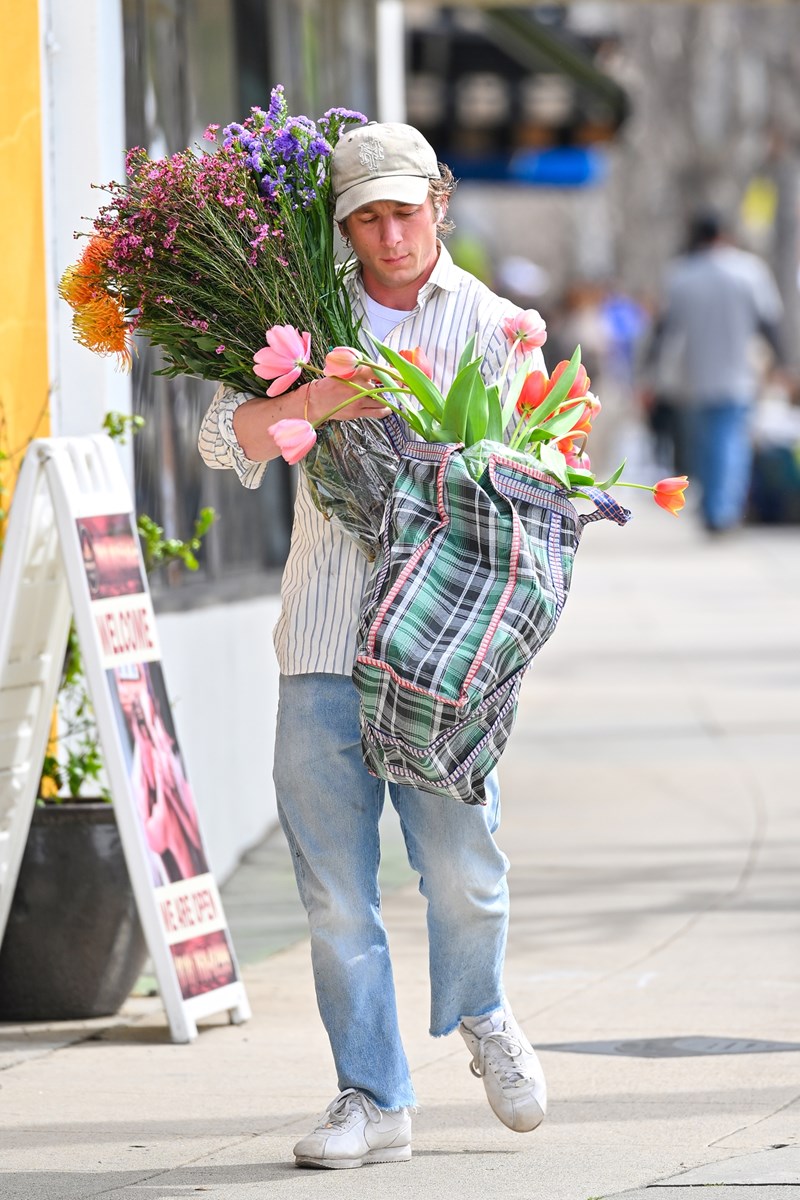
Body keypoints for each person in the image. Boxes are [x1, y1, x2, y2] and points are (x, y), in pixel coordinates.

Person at [198, 121, 548, 1169]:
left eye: (403, 211)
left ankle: (482, 1014)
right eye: (365, 218)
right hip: (321, 638)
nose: (387, 235)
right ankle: (371, 1097)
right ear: (340, 227)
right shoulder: (305, 319)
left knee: (460, 867)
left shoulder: (498, 327)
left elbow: (538, 480)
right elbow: (223, 438)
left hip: (441, 651)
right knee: (334, 891)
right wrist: (311, 400)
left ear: (437, 205)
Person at [643, 209, 785, 532]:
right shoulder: (749, 271)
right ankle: (723, 510)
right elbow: (769, 323)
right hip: (738, 372)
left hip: (693, 375)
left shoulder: (680, 274)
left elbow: (663, 331)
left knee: (703, 444)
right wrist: (784, 363)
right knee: (731, 442)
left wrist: (649, 373)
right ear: (726, 235)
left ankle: (712, 507)